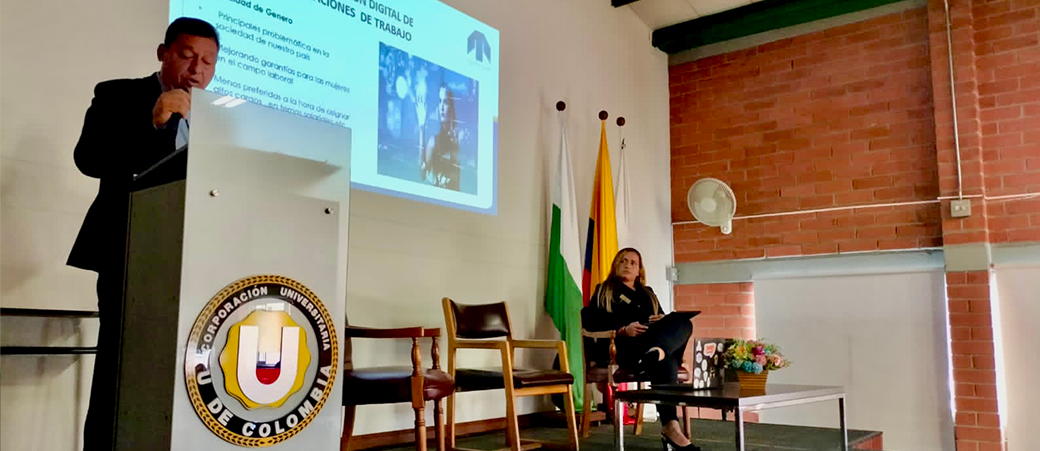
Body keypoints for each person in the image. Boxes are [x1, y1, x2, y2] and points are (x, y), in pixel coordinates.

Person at [67, 17, 218, 450]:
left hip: (199, 260)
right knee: (120, 373)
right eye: (187, 56)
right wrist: (152, 122)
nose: (196, 69)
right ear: (163, 53)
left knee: (188, 375)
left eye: (208, 62)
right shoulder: (117, 94)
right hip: (131, 254)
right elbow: (89, 158)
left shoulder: (220, 118)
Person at [582, 248, 699, 451]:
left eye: (633, 263)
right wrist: (623, 329)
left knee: (683, 323)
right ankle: (671, 428)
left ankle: (655, 354)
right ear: (615, 266)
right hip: (625, 347)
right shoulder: (604, 290)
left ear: (639, 271)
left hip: (649, 344)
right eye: (623, 261)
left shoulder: (648, 294)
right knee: (668, 360)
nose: (627, 265)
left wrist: (660, 319)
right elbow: (591, 322)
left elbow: (664, 321)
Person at [422, 83, 460, 190]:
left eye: (446, 102)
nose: (441, 107)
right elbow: (424, 175)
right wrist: (421, 128)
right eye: (440, 101)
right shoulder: (433, 141)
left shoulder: (460, 139)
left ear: (452, 107)